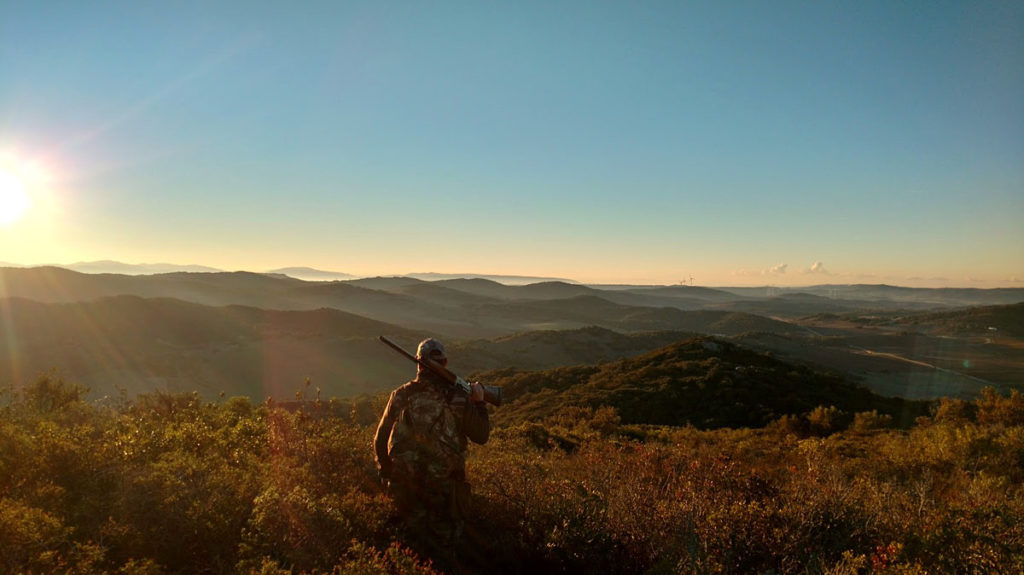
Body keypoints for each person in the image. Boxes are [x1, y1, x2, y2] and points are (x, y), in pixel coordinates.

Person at [373, 337, 490, 564]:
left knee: (404, 554)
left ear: (418, 364)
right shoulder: (459, 398)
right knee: (442, 559)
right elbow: (482, 436)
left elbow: (380, 439)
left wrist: (389, 474)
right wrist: (480, 402)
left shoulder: (401, 394)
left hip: (405, 492)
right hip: (445, 495)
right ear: (445, 363)